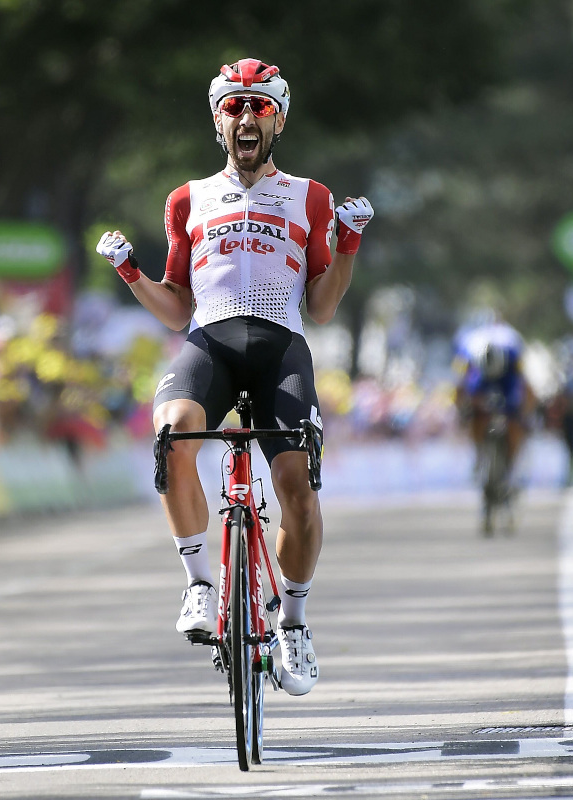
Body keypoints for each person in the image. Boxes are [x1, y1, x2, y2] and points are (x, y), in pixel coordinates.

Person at [96, 58, 373, 696]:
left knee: (296, 485)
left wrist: (349, 243)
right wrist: (130, 272)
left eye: (260, 108)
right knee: (172, 435)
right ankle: (199, 582)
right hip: (211, 344)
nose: (246, 118)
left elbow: (324, 306)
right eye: (234, 108)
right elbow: (177, 308)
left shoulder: (311, 196)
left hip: (281, 349)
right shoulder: (186, 199)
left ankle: (294, 624)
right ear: (219, 122)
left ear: (278, 121)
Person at [455, 318, 534, 474]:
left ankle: (512, 463)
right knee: (475, 414)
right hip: (481, 378)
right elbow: (461, 385)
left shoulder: (513, 351)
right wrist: (463, 411)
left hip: (507, 378)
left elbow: (525, 385)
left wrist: (524, 412)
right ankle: (479, 450)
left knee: (515, 420)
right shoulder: (470, 350)